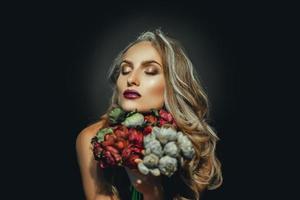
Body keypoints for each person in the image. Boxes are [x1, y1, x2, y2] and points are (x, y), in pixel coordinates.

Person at [76, 29, 222, 200]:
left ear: (172, 84)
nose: (132, 79)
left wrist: (148, 189)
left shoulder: (194, 143)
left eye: (150, 71)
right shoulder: (92, 138)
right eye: (125, 70)